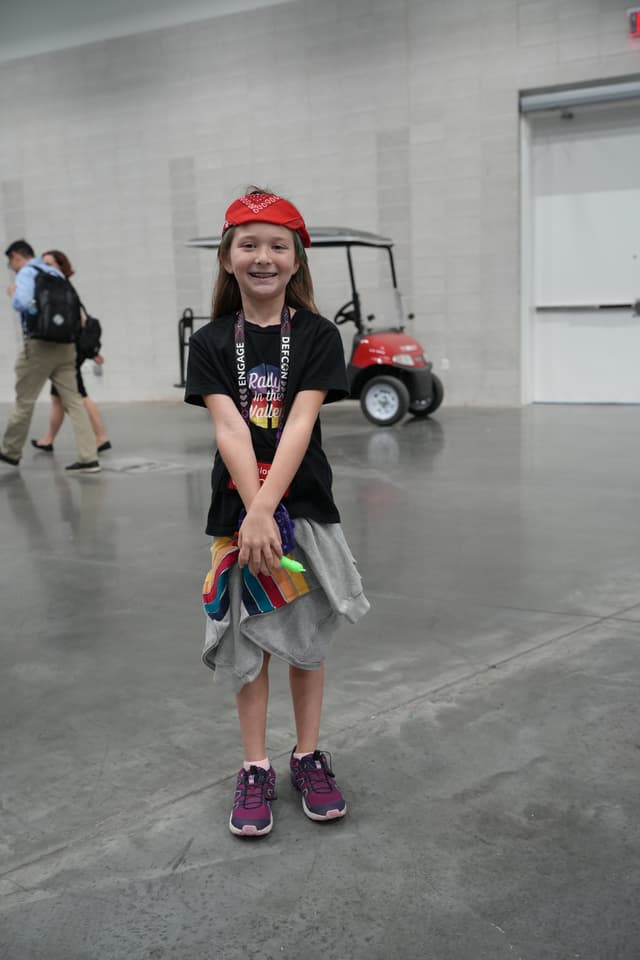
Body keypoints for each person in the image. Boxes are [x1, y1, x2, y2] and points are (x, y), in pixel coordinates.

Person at [185, 189, 369, 837]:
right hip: (238, 518)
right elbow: (230, 431)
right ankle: (256, 765)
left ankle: (309, 754)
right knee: (249, 641)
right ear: (228, 259)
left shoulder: (319, 336)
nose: (263, 257)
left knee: (307, 641)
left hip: (303, 508)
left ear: (296, 262)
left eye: (277, 246)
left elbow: (299, 426)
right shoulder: (209, 341)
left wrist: (267, 508)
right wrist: (254, 515)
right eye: (248, 245)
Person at [0, 240, 100, 472]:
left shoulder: (26, 273)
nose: (11, 267)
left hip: (40, 346)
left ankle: (11, 450)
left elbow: (23, 303)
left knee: (24, 400)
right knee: (74, 401)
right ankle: (89, 457)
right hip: (66, 346)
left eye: (9, 262)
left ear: (16, 256)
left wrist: (13, 294)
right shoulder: (54, 272)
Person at [31, 249, 111, 455]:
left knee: (79, 396)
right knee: (58, 399)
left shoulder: (62, 287)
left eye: (50, 264)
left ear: (61, 266)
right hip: (71, 349)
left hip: (70, 351)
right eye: (43, 264)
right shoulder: (61, 287)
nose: (45, 268)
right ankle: (48, 439)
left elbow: (75, 322)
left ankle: (101, 437)